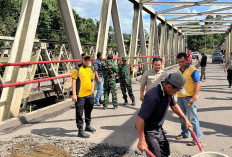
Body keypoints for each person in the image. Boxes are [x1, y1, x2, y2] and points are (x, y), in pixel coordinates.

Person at [136, 73, 193, 157]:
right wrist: (141, 140)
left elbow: (174, 105)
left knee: (165, 151)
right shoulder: (153, 96)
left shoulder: (168, 91)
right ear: (169, 87)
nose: (176, 92)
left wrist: (185, 119)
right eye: (177, 90)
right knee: (155, 154)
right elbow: (140, 118)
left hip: (158, 128)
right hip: (148, 130)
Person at [175, 52, 201, 146]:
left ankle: (196, 139)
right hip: (180, 97)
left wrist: (194, 97)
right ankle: (185, 133)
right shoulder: (178, 71)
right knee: (182, 117)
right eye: (179, 62)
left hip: (189, 98)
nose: (181, 63)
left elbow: (198, 83)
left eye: (182, 61)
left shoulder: (193, 70)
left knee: (193, 118)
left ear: (187, 60)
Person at [72, 53, 96, 138]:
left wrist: (92, 90)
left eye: (88, 59)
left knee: (89, 109)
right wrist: (74, 94)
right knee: (79, 112)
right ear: (82, 59)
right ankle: (80, 130)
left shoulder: (90, 69)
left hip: (89, 94)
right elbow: (74, 81)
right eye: (85, 59)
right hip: (80, 95)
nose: (87, 61)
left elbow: (93, 80)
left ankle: (88, 125)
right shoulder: (77, 69)